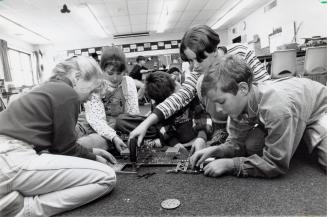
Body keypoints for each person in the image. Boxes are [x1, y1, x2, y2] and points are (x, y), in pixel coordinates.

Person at [0, 56, 117, 216]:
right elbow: (64, 149)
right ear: (76, 78)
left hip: (7, 160)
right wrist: (95, 160)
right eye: (92, 90)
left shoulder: (49, 88)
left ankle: (8, 198)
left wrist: (92, 152)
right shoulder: (67, 93)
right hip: (11, 160)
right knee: (107, 176)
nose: (91, 96)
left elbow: (56, 146)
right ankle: (26, 209)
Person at [129, 24, 270, 147]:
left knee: (253, 145)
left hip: (257, 114)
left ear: (214, 50)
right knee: (202, 83)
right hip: (234, 120)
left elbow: (266, 86)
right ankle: (223, 130)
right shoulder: (198, 72)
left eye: (199, 59)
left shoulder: (241, 52)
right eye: (191, 60)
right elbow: (180, 96)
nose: (195, 66)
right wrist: (146, 123)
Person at [190, 55, 327, 178]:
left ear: (242, 88)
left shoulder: (277, 109)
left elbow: (275, 164)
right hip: (293, 113)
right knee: (252, 146)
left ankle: (303, 138)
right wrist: (217, 150)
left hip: (320, 111)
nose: (219, 109)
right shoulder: (239, 103)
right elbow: (236, 143)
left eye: (221, 102)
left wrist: (231, 164)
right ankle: (296, 138)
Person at [76, 46, 139, 153]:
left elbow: (132, 114)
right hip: (90, 122)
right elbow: (96, 119)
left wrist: (118, 135)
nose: (115, 78)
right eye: (110, 73)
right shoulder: (95, 83)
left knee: (84, 145)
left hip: (115, 127)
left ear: (124, 71)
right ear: (102, 70)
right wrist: (113, 136)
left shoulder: (128, 82)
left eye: (119, 73)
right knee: (67, 135)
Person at [145, 71, 213, 152]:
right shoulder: (158, 106)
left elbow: (203, 116)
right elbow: (163, 127)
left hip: (198, 139)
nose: (181, 91)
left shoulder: (189, 96)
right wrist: (174, 143)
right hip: (178, 144)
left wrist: (202, 136)